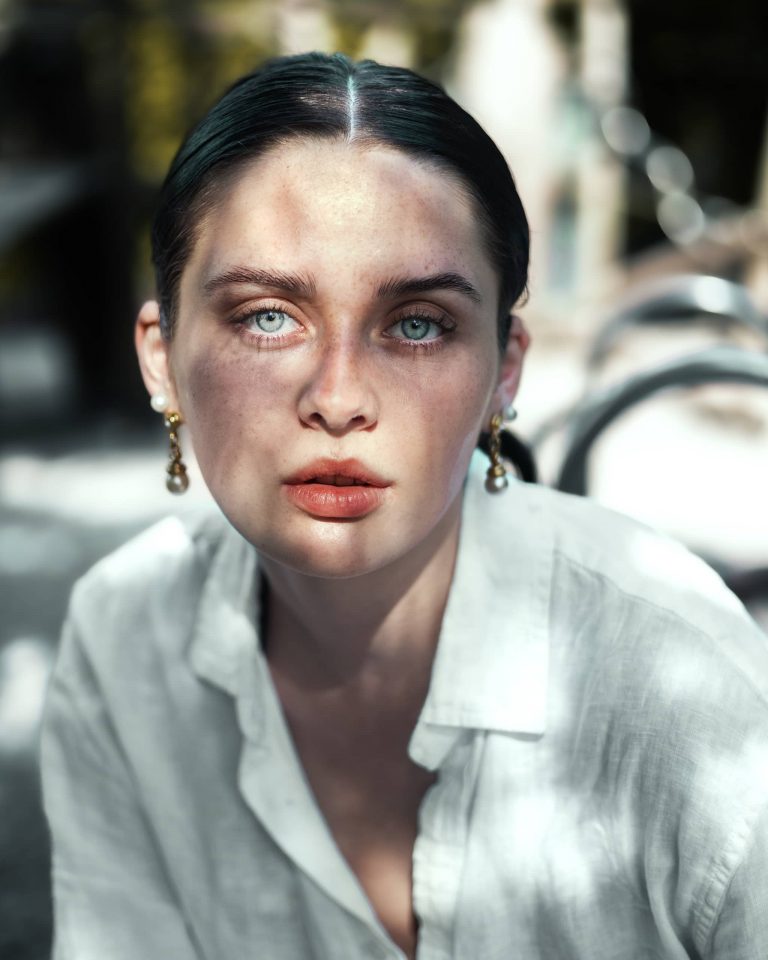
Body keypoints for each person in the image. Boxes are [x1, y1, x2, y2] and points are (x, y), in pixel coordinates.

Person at [41, 52, 768, 960]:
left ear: (506, 369)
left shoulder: (685, 688)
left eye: (417, 323)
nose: (339, 397)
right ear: (161, 358)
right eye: (268, 315)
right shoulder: (123, 644)